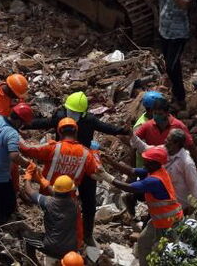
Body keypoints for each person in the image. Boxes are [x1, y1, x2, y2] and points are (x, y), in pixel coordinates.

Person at [28, 91, 130, 244]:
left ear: (83, 113)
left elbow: (105, 127)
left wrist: (122, 130)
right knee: (57, 198)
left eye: (76, 113)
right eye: (71, 111)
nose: (72, 115)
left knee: (88, 201)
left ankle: (86, 234)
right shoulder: (61, 116)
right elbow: (44, 123)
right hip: (66, 161)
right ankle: (56, 231)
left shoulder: (89, 120)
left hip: (84, 163)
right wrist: (24, 123)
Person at [107, 147, 183, 266]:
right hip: (158, 220)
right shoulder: (154, 170)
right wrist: (111, 161)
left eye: (147, 160)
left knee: (162, 253)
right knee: (143, 242)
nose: (144, 163)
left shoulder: (155, 180)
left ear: (154, 163)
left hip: (169, 223)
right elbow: (131, 171)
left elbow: (130, 188)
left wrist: (107, 177)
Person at [140, 0, 193, 107]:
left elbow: (183, 5)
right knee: (172, 66)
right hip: (164, 32)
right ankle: (177, 93)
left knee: (171, 66)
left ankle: (180, 96)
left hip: (178, 34)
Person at [21, 118, 101, 188]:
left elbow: (26, 149)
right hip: (69, 197)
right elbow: (98, 173)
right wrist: (95, 152)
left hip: (48, 194)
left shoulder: (52, 147)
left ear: (59, 132)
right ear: (76, 132)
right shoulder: (86, 153)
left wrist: (13, 133)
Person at [22, 175, 81, 263]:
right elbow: (59, 194)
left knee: (27, 237)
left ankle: (33, 263)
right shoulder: (75, 204)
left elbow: (29, 191)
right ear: (70, 191)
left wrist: (28, 177)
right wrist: (43, 181)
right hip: (71, 250)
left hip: (53, 248)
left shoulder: (48, 202)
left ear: (55, 189)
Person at [163, 129, 197, 214]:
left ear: (176, 144)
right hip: (165, 204)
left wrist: (192, 207)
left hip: (178, 208)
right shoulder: (166, 151)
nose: (165, 141)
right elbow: (147, 148)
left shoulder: (187, 163)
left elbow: (194, 186)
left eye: (168, 140)